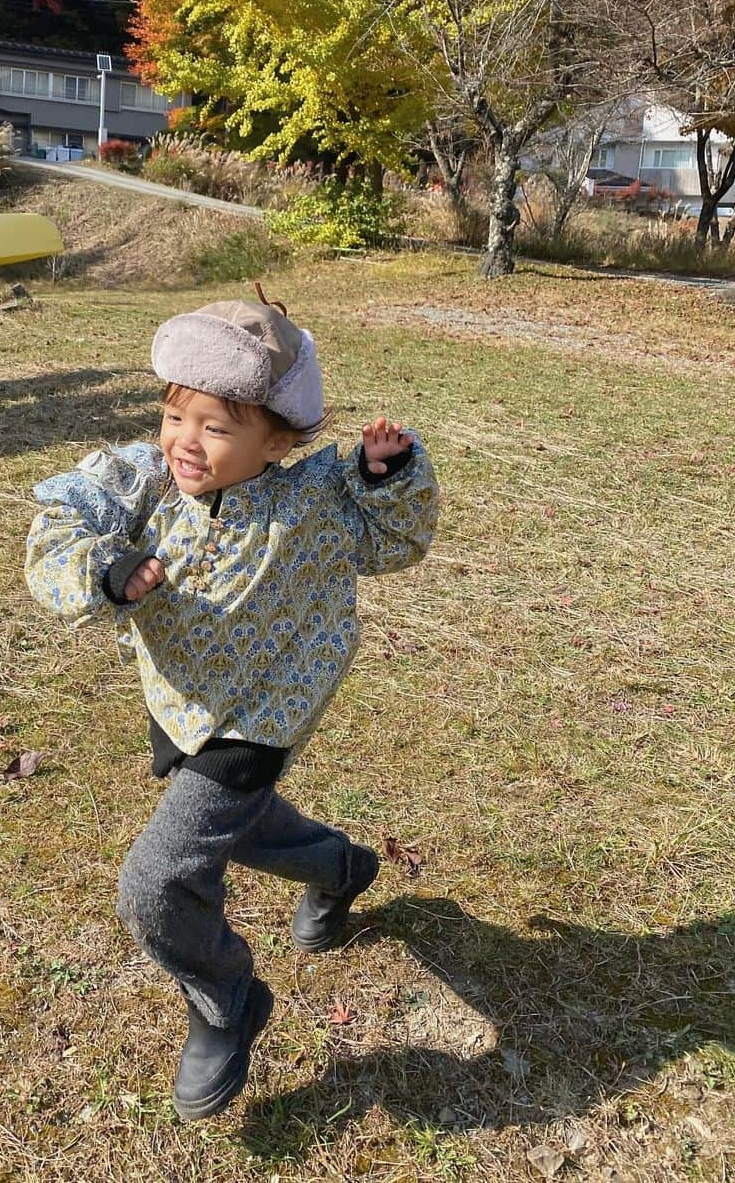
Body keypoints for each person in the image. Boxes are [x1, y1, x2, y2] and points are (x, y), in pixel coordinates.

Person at [24, 292, 439, 1121]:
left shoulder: (314, 500)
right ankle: (339, 868)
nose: (185, 441)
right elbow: (64, 518)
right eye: (176, 414)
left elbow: (399, 539)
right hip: (182, 698)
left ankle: (227, 1000)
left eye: (216, 427)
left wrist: (387, 476)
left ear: (277, 440)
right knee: (236, 823)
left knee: (158, 880)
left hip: (269, 707)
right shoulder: (144, 480)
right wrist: (105, 572)